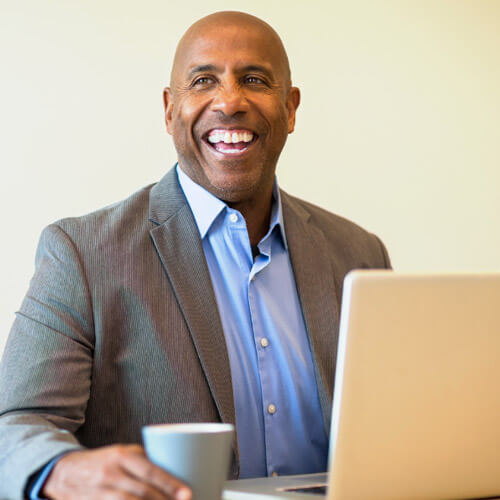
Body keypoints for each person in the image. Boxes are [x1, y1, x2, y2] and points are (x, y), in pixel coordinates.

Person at [0, 10, 391, 500]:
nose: (230, 101)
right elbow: (16, 425)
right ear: (169, 110)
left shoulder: (360, 254)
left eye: (255, 79)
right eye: (204, 80)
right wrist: (57, 471)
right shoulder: (81, 254)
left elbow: (394, 428)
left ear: (290, 108)